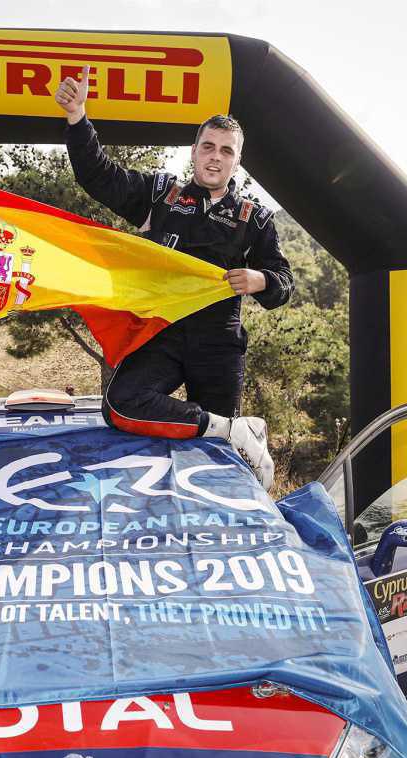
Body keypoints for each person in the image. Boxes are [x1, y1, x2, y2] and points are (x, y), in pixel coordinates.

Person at [55, 67, 293, 489]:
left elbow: (284, 282)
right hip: (161, 333)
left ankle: (230, 450)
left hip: (218, 345)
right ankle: (232, 429)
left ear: (237, 161)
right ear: (194, 152)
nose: (215, 156)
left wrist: (261, 280)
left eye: (226, 151)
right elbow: (100, 177)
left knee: (217, 463)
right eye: (208, 147)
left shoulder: (254, 217)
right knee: (120, 405)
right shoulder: (161, 195)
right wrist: (77, 118)